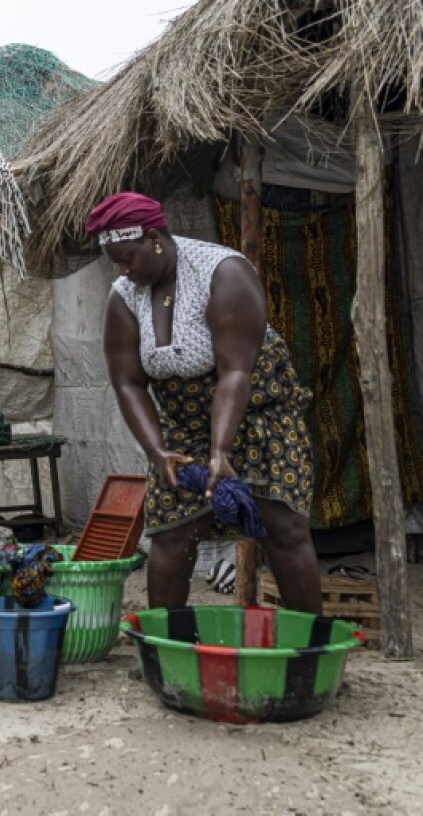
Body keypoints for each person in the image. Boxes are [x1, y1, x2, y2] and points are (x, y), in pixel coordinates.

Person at [93, 192, 322, 613]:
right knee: (171, 535)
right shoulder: (124, 296)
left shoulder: (224, 272)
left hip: (259, 415)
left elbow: (236, 371)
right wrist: (157, 450)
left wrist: (220, 451)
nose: (123, 270)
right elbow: (128, 383)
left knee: (282, 528)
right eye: (116, 262)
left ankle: (311, 646)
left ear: (154, 238)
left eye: (128, 258)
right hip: (183, 428)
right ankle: (167, 642)